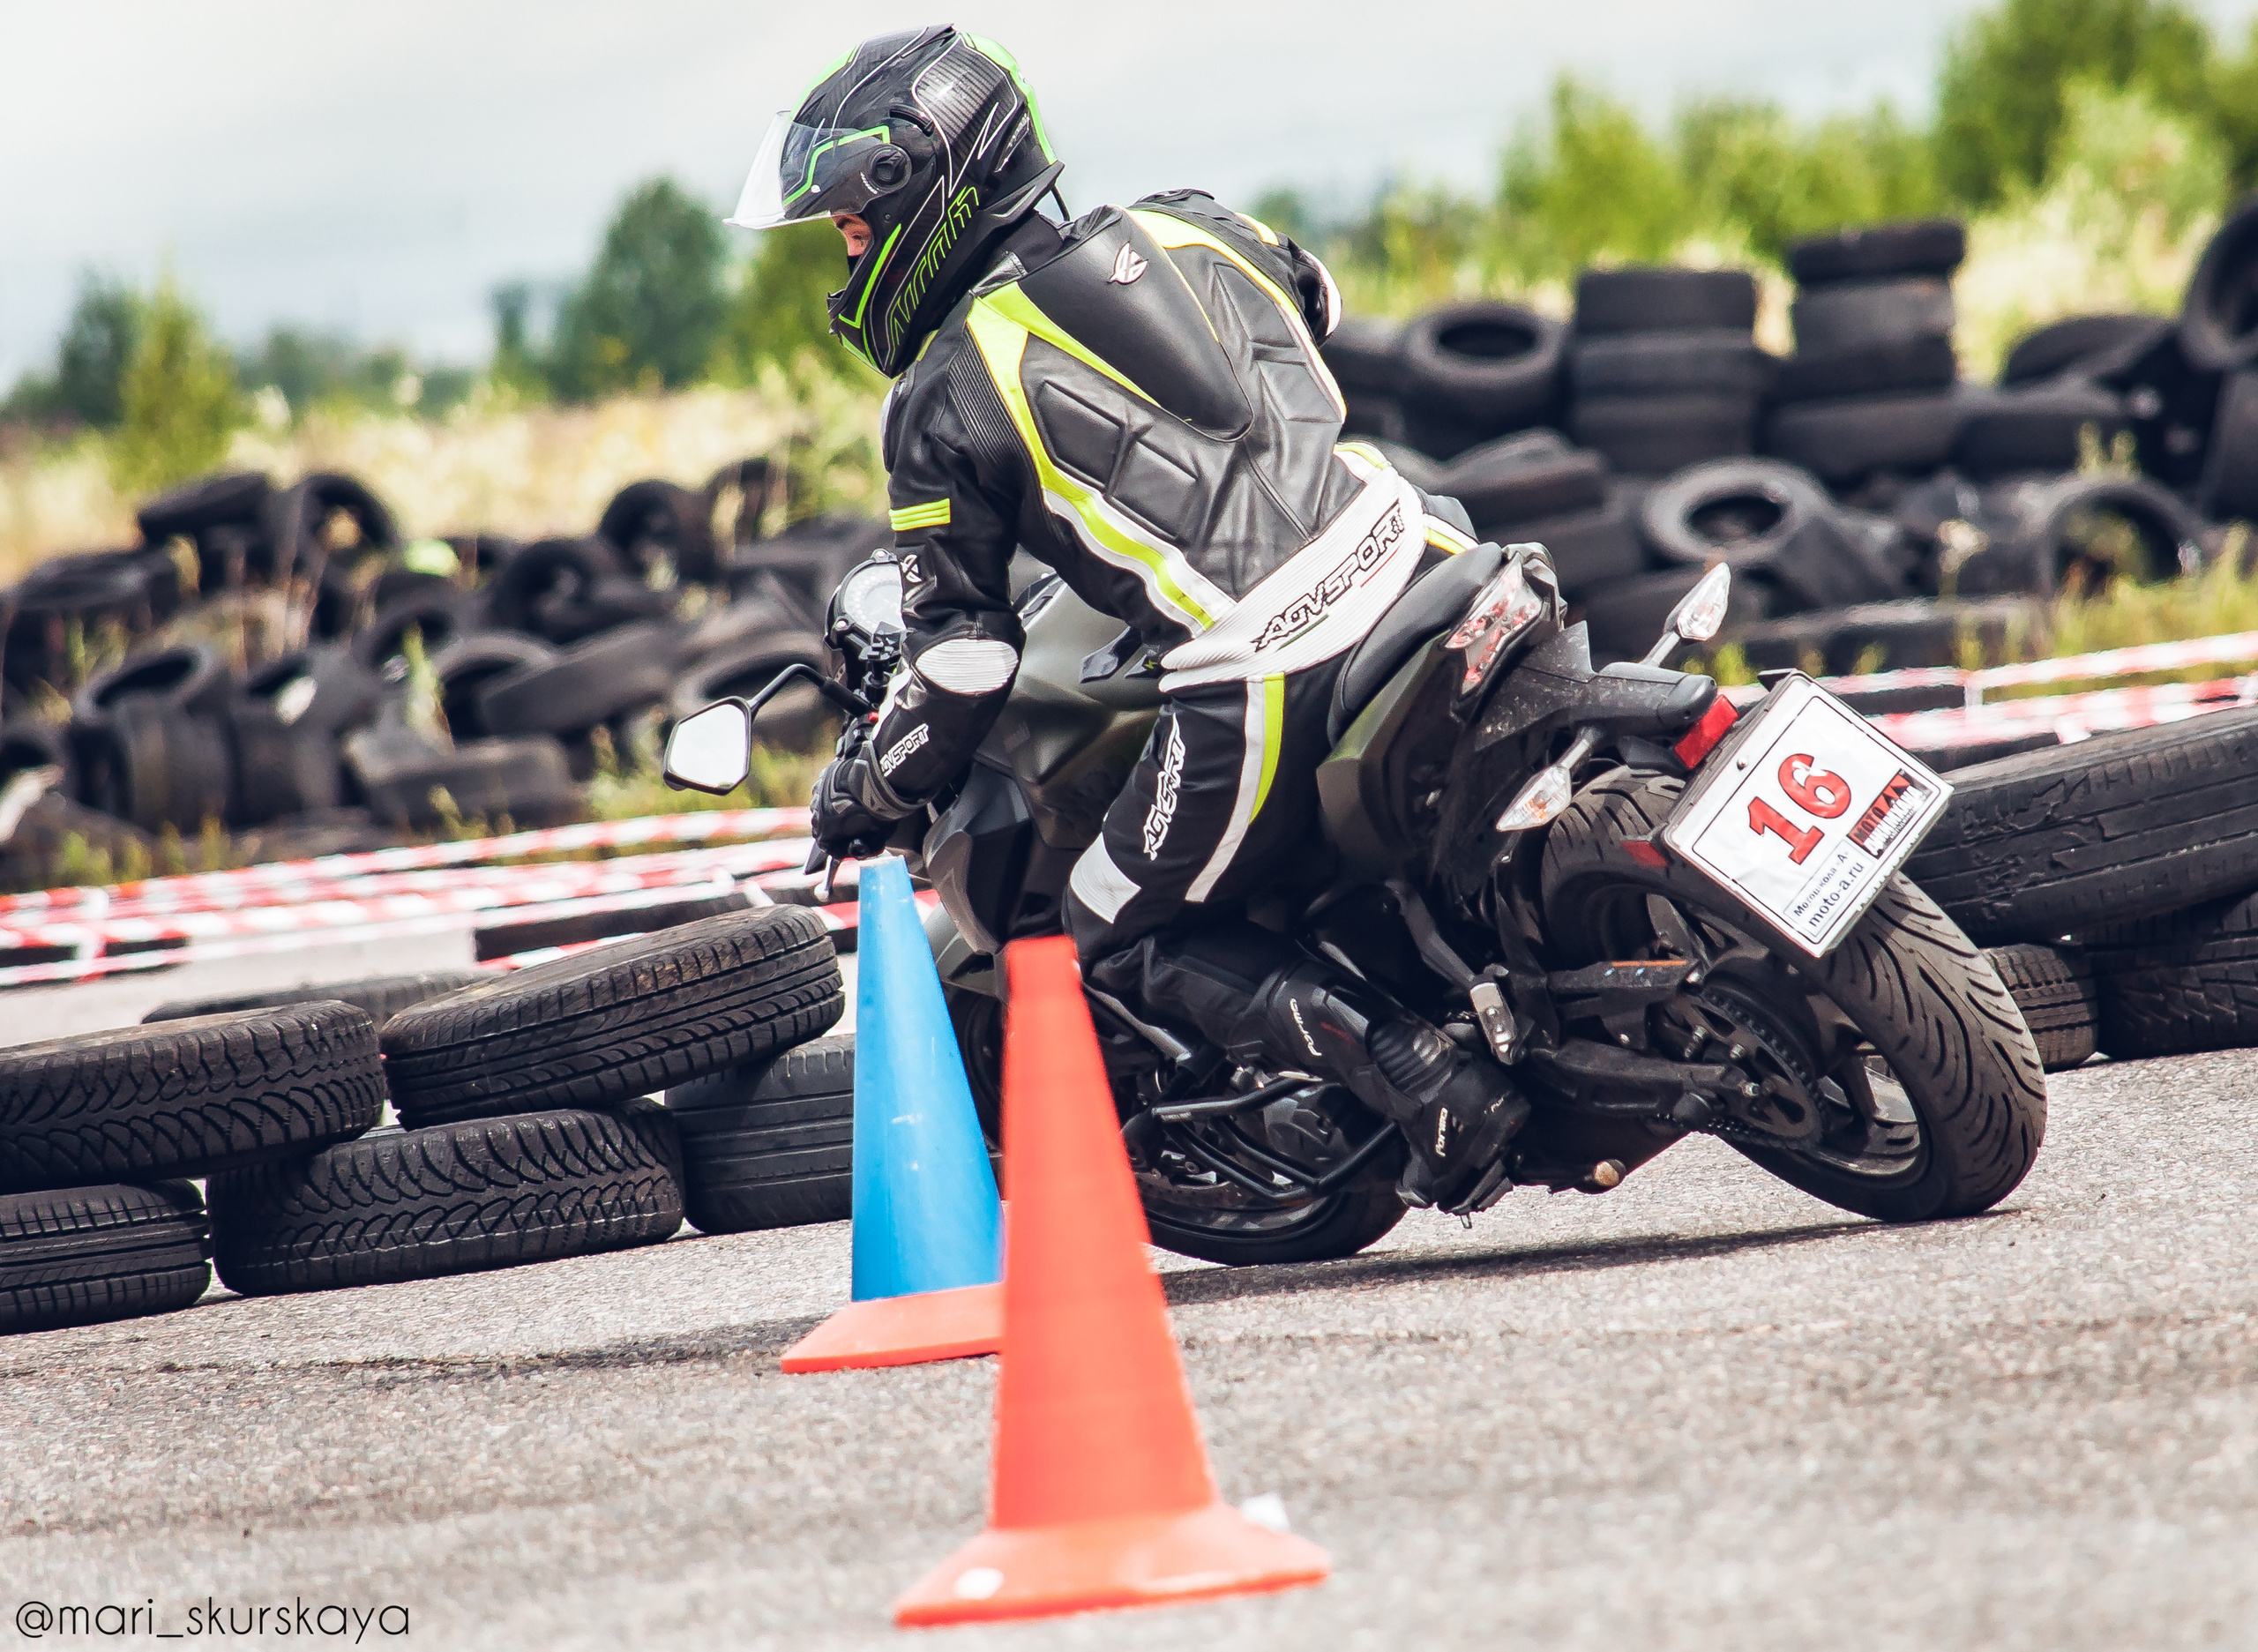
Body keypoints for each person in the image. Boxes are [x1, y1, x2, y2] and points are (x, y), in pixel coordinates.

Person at [727, 26, 1527, 1213]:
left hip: (1258, 666)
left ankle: (1430, 1081)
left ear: (919, 197)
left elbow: (959, 660)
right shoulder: (1192, 220)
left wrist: (865, 791)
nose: (846, 265)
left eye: (849, 231)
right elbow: (1317, 300)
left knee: (1113, 929)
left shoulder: (946, 392)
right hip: (1423, 544)